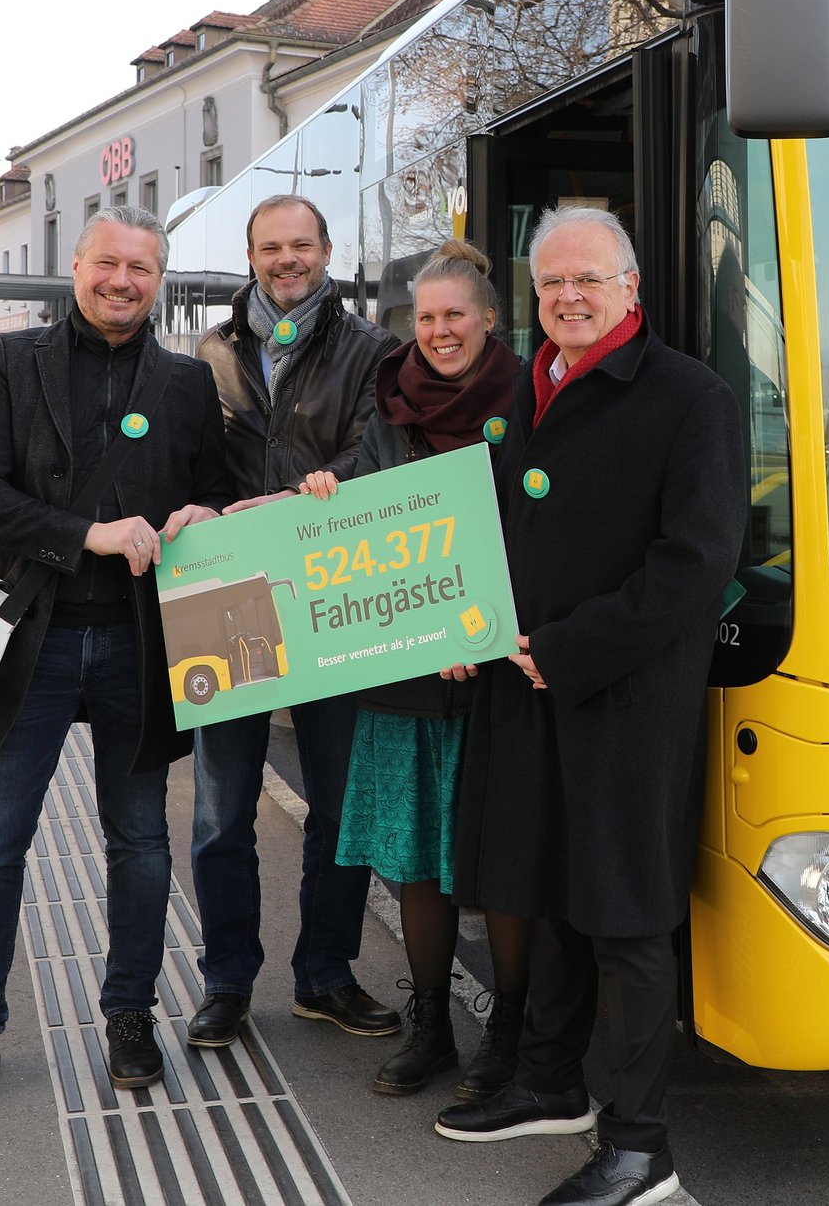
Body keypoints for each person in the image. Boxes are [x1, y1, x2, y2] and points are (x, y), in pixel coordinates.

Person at [435, 206, 747, 1206]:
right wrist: (462, 626)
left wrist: (565, 652)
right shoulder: (531, 388)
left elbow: (696, 563)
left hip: (620, 703)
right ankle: (549, 1082)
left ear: (630, 290)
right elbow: (494, 528)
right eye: (552, 284)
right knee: (549, 892)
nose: (568, 297)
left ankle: (640, 1149)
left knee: (625, 920)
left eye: (589, 281)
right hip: (532, 692)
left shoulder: (687, 397)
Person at [0, 202, 231, 1105]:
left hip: (141, 643)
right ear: (79, 266)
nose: (123, 282)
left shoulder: (188, 384)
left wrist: (202, 513)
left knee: (139, 841)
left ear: (159, 279)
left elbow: (211, 491)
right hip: (32, 640)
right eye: (108, 264)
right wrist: (86, 534)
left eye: (141, 269)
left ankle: (129, 1014)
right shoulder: (13, 363)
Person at [296, 238, 533, 1099]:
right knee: (416, 858)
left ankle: (508, 1035)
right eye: (426, 317)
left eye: (454, 317)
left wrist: (487, 627)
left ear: (488, 320)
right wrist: (325, 488)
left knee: (501, 859)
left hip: (497, 673)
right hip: (406, 670)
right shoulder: (389, 405)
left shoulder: (531, 398)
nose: (438, 332)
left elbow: (542, 534)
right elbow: (360, 502)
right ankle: (432, 1023)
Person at [187, 193, 401, 1047]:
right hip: (227, 592)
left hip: (330, 587)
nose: (288, 260)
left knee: (340, 805)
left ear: (325, 250)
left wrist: (334, 482)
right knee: (219, 809)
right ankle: (227, 981)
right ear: (252, 256)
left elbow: (379, 449)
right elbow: (189, 461)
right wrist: (194, 510)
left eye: (302, 245)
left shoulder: (371, 350)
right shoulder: (209, 353)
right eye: (272, 247)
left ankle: (326, 975)